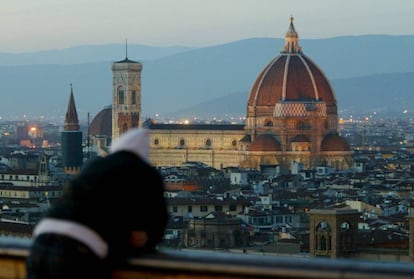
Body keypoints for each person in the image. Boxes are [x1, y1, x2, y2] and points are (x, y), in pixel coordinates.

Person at [26, 128, 169, 279]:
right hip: (80, 248)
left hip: (42, 238)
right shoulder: (145, 173)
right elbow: (157, 220)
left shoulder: (94, 165)